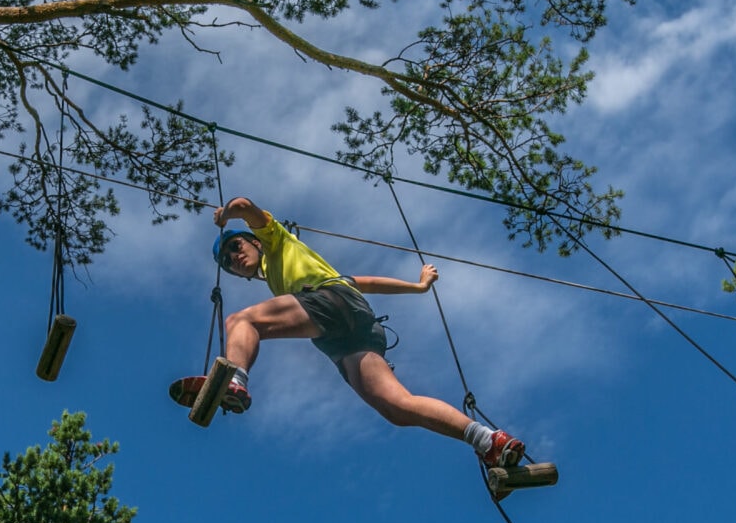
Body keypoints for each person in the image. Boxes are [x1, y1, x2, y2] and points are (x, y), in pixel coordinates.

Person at [170, 196, 525, 469]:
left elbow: (246, 206)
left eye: (236, 246)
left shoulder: (276, 241)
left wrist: (228, 214)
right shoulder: (293, 273)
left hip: (331, 305)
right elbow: (362, 282)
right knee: (397, 408)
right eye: (227, 262)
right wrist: (417, 288)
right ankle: (488, 440)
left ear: (255, 241)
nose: (234, 257)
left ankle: (236, 382)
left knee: (240, 321)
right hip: (351, 329)